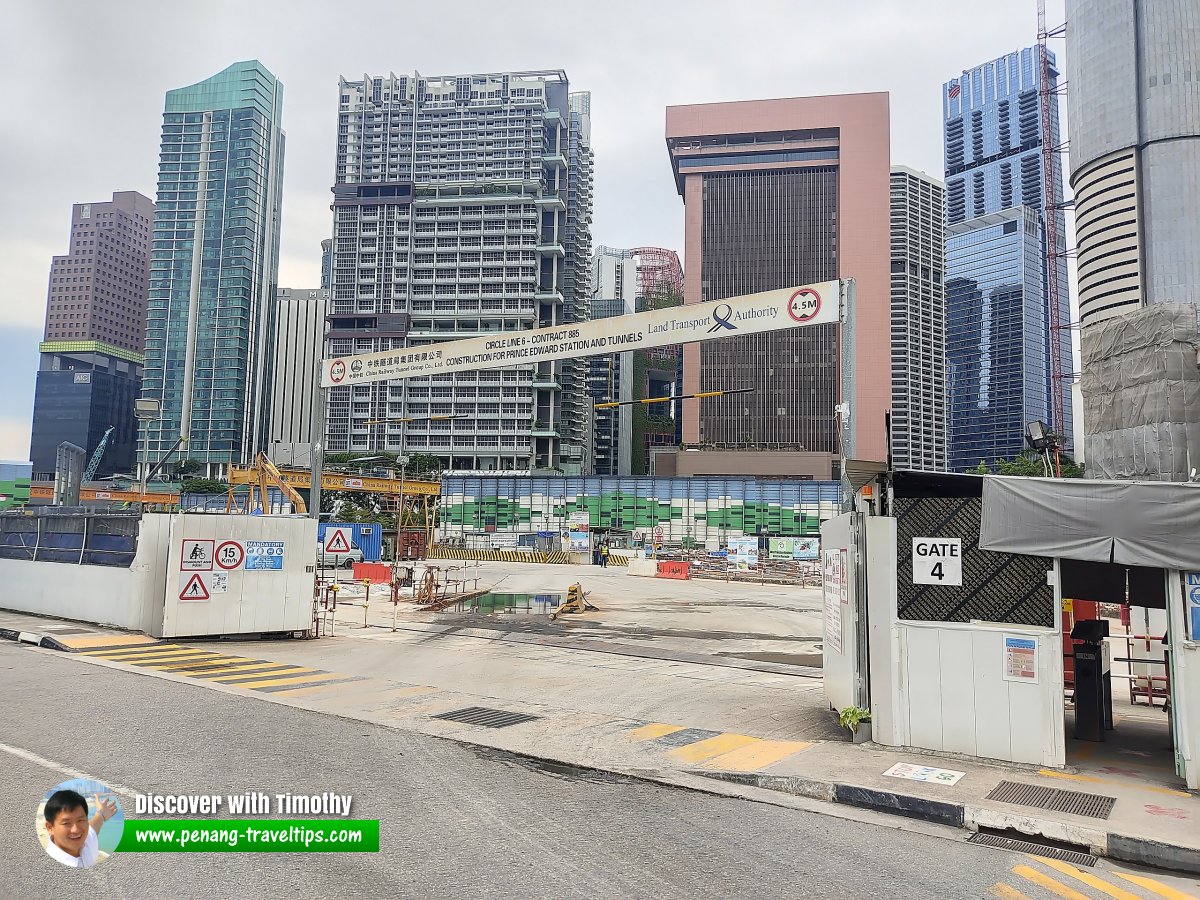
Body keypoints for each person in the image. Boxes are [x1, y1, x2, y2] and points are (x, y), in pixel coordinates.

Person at [43, 789, 115, 868]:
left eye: (80, 820)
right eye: (66, 823)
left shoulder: (86, 842)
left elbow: (94, 826)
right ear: (50, 828)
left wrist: (101, 813)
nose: (76, 830)